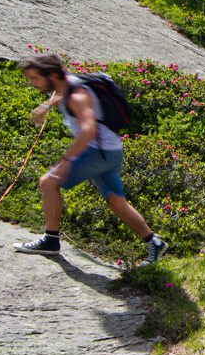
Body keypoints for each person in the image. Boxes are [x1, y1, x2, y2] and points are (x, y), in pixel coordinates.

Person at [13, 54, 167, 266]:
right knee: (116, 201)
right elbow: (59, 93)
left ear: (51, 75)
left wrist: (66, 160)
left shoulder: (77, 95)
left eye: (34, 78)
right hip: (110, 151)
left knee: (48, 182)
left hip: (97, 151)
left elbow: (88, 131)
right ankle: (154, 243)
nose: (32, 83)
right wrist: (46, 106)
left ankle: (50, 240)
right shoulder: (70, 82)